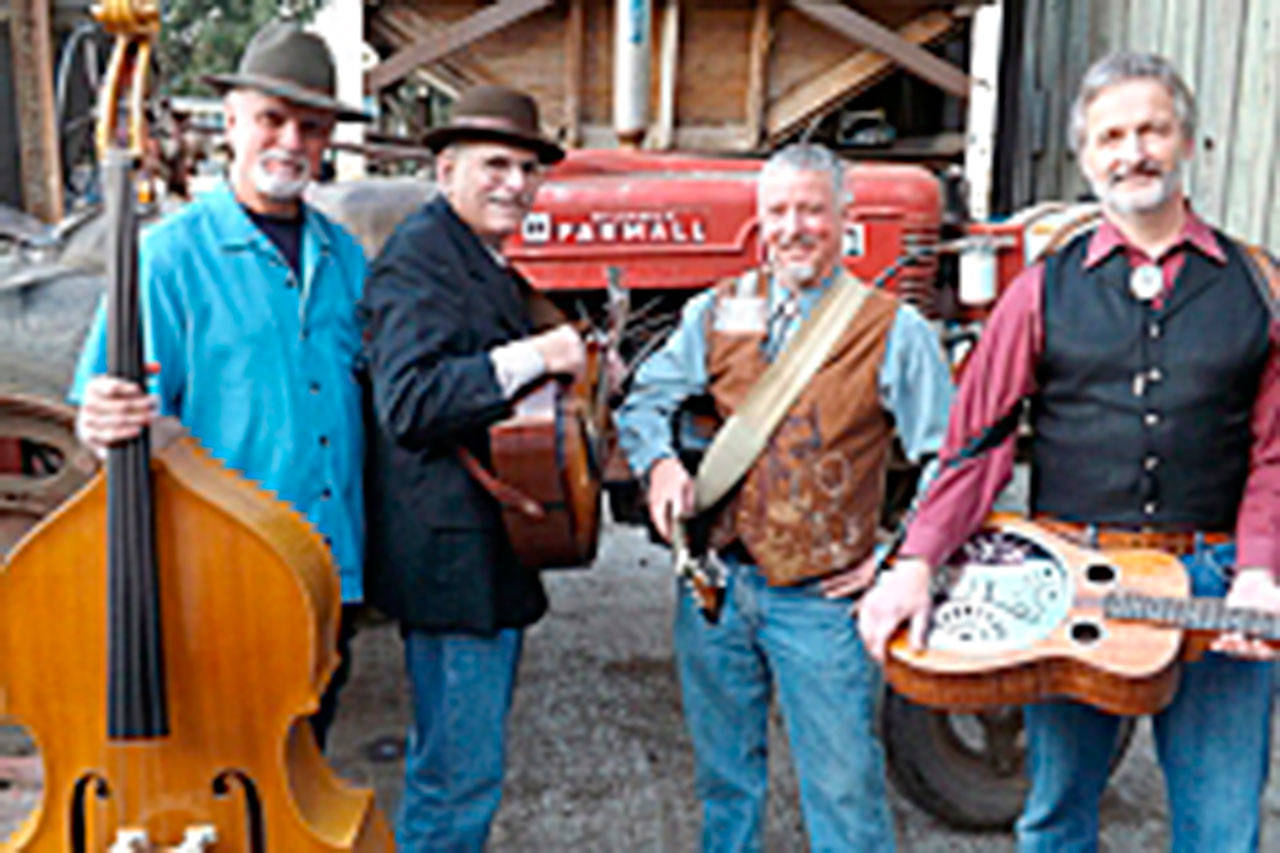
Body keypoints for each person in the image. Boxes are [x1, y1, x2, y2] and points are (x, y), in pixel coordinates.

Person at [858, 52, 1280, 852]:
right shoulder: (1041, 290)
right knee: (1053, 818)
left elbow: (1278, 453)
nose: (1133, 152)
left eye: (1151, 128)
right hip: (1072, 589)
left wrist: (1262, 571)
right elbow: (975, 441)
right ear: (1087, 156)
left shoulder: (1259, 284)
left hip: (1220, 585)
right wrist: (915, 561)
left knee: (1223, 830)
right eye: (1111, 135)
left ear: (1186, 140)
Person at [615, 143, 953, 851]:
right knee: (725, 787)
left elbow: (950, 462)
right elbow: (643, 399)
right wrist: (658, 467)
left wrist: (896, 559)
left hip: (821, 604)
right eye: (778, 211)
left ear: (844, 219)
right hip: (714, 589)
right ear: (758, 220)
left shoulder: (894, 330)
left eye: (811, 210)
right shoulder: (715, 309)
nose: (794, 227)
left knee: (844, 796)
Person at [69, 21, 371, 750]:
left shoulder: (345, 256)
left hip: (332, 570)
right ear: (231, 121)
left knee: (305, 761)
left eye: (310, 125)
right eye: (272, 118)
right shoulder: (167, 257)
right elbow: (100, 402)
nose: (291, 141)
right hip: (227, 571)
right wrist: (97, 419)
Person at [358, 85, 588, 851]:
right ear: (446, 168)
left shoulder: (476, 257)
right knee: (455, 781)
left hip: (481, 559)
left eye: (528, 169)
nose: (515, 184)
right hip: (451, 569)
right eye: (496, 164)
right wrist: (535, 355)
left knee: (461, 773)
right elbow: (411, 401)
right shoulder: (421, 258)